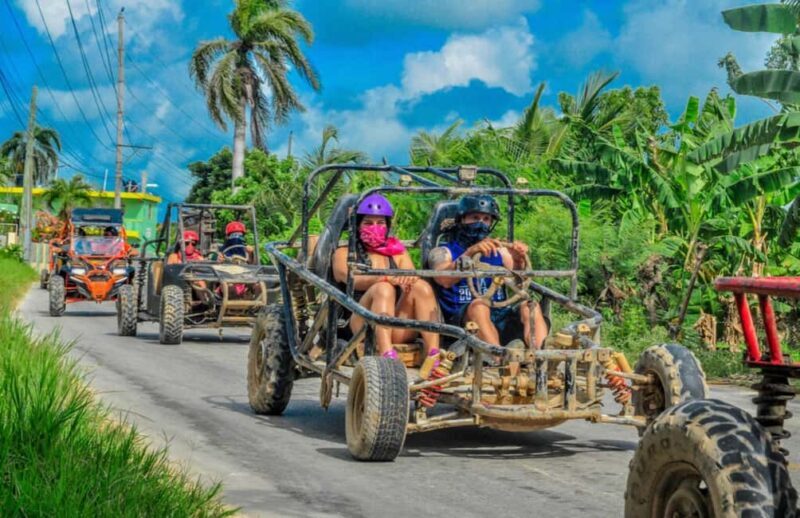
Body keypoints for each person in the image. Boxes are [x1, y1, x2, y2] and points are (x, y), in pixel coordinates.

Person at [429, 194, 548, 349]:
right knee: (479, 305)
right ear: (462, 220)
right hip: (462, 320)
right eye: (474, 217)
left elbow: (521, 281)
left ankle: (540, 357)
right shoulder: (444, 252)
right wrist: (470, 252)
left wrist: (519, 259)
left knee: (530, 305)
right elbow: (443, 279)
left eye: (486, 219)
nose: (480, 223)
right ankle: (499, 359)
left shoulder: (501, 252)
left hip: (499, 314)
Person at [332, 194, 440, 359]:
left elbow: (412, 277)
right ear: (357, 226)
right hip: (362, 326)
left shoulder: (398, 253)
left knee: (421, 287)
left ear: (387, 226)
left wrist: (408, 280)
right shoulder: (343, 254)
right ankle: (386, 353)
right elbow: (353, 281)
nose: (375, 227)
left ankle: (434, 354)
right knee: (383, 288)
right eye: (368, 223)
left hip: (395, 325)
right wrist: (385, 278)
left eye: (380, 223)